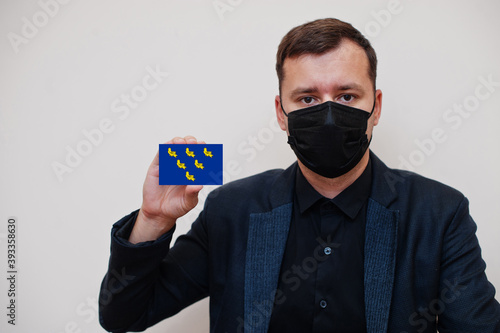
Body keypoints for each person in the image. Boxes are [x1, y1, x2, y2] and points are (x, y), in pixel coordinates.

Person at [99, 18, 500, 333]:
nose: (328, 115)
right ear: (281, 113)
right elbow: (123, 316)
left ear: (375, 107)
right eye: (307, 98)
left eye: (346, 96)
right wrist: (153, 220)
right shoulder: (231, 210)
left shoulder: (439, 213)